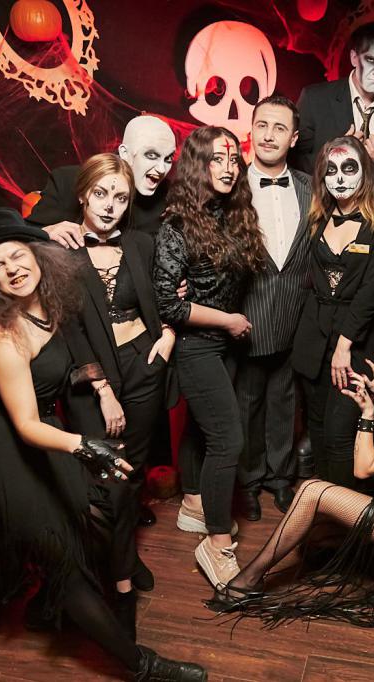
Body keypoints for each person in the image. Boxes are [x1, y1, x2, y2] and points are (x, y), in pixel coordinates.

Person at [0, 208, 204, 681]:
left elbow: (67, 366)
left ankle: (54, 607)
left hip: (45, 433)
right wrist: (88, 447)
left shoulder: (47, 305)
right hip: (4, 449)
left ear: (37, 254)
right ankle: (143, 668)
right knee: (62, 558)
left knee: (93, 514)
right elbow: (25, 424)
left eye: (17, 255)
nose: (13, 269)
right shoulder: (2, 335)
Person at [202, 311, 374, 634]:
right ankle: (366, 555)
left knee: (312, 490)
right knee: (312, 540)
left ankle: (248, 581)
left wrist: (367, 413)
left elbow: (364, 468)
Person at [58, 153, 175, 635]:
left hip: (144, 365)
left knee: (134, 470)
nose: (109, 206)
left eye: (120, 198)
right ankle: (121, 583)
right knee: (109, 475)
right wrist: (103, 390)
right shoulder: (61, 251)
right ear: (83, 194)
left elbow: (168, 294)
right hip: (93, 376)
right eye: (101, 194)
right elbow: (69, 329)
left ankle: (125, 557)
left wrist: (167, 338)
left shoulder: (142, 244)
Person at [153, 126, 264, 589]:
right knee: (228, 440)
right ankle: (216, 545)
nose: (228, 168)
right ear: (198, 164)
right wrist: (228, 320)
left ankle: (195, 505)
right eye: (217, 159)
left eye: (233, 159)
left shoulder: (230, 215)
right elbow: (169, 305)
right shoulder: (177, 225)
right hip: (197, 344)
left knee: (203, 430)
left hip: (225, 345)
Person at [290, 136, 374, 488]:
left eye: (349, 168)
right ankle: (324, 509)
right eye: (331, 170)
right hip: (313, 343)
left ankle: (343, 513)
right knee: (318, 431)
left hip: (355, 345)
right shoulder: (317, 220)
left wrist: (343, 346)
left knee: (340, 436)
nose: (339, 178)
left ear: (365, 173)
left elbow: (373, 293)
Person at [235, 95, 313, 521]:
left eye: (279, 128)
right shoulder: (231, 186)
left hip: (295, 314)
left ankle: (280, 477)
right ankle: (248, 481)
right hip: (245, 314)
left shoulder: (309, 187)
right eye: (262, 125)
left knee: (285, 399)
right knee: (247, 402)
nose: (268, 135)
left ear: (294, 138)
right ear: (251, 129)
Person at [293, 22, 374, 194]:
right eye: (371, 60)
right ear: (354, 57)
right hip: (324, 205)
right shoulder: (314, 99)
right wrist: (333, 157)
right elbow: (294, 162)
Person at [29, 115, 177, 243]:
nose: (161, 169)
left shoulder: (169, 197)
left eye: (168, 159)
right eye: (151, 156)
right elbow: (25, 233)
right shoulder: (68, 181)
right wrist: (45, 232)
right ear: (125, 153)